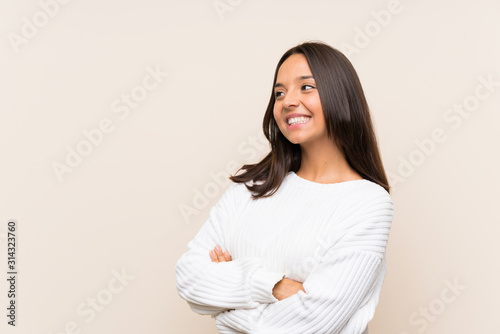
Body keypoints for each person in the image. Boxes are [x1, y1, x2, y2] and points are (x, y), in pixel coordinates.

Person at [175, 41, 394, 334]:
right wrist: (275, 286)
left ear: (340, 96)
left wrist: (227, 308)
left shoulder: (368, 203)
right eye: (279, 92)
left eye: (306, 87)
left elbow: (314, 324)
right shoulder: (253, 187)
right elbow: (189, 278)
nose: (288, 101)